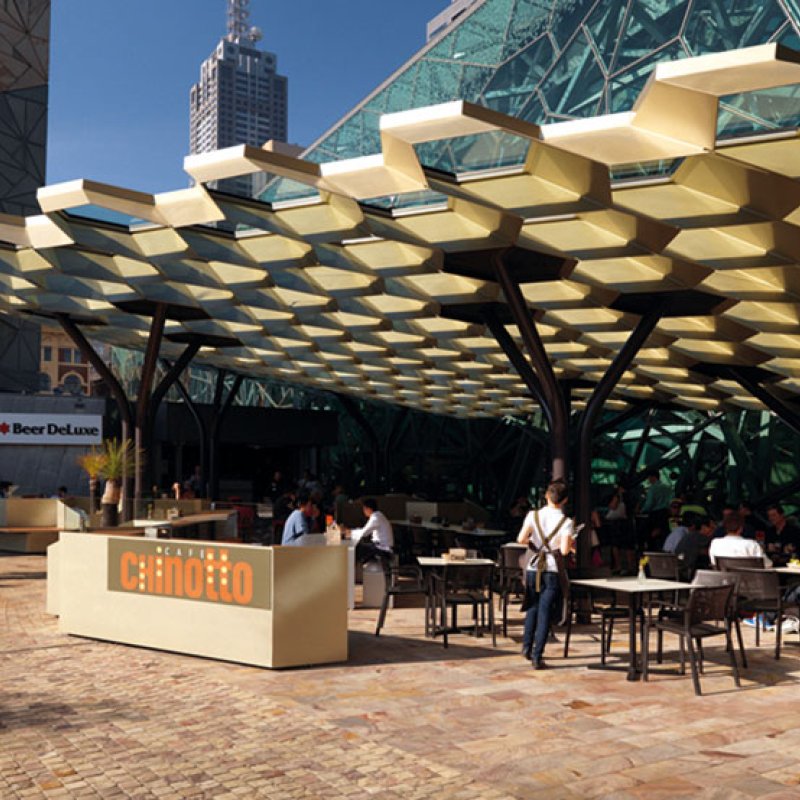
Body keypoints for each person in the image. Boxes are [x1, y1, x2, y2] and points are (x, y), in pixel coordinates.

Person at [517, 479, 575, 671]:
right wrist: (570, 544)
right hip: (551, 569)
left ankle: (526, 647)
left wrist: (536, 545)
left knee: (532, 606)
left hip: (534, 567)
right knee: (545, 612)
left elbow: (521, 539)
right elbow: (565, 551)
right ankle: (537, 656)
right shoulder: (566, 522)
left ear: (546, 495)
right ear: (565, 500)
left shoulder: (533, 515)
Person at [344, 498, 393, 565]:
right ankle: (358, 569)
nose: (364, 511)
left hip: (383, 548)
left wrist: (350, 532)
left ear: (368, 509)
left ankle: (354, 571)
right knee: (359, 548)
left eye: (364, 509)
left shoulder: (375, 518)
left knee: (356, 550)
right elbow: (364, 531)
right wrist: (351, 531)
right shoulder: (378, 515)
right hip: (380, 546)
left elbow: (364, 533)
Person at [639, 469, 673, 547]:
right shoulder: (668, 488)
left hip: (656, 514)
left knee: (651, 534)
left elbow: (649, 504)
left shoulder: (652, 489)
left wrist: (642, 510)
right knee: (664, 534)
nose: (648, 480)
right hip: (666, 513)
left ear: (653, 477)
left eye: (649, 478)